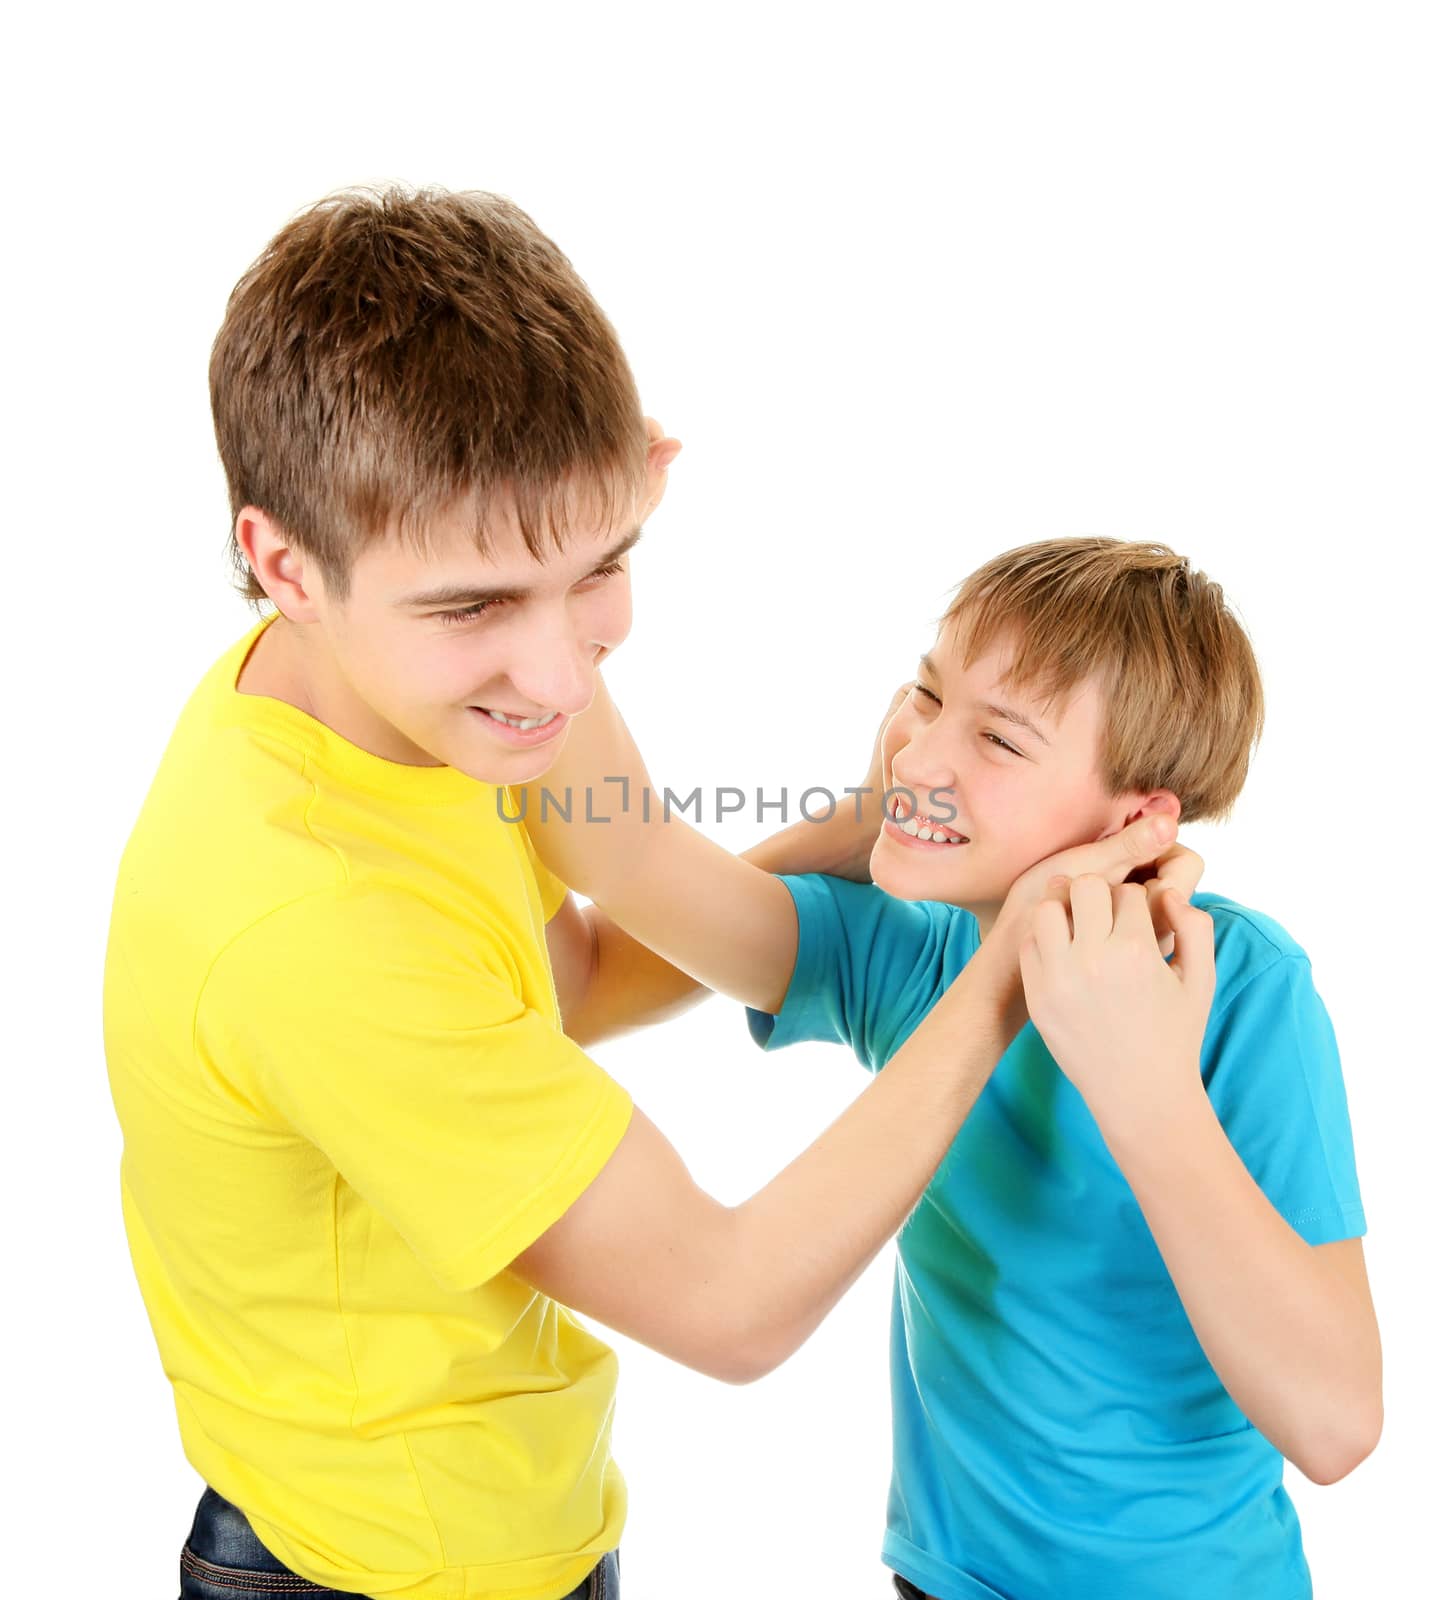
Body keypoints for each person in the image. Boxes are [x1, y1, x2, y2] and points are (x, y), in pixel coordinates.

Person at [102, 188, 1198, 1600]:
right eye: (474, 606)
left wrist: (890, 823)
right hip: (387, 1572)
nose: (559, 676)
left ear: (644, 474)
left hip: (506, 1517)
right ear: (284, 566)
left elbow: (584, 957)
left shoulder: (399, 692)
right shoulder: (311, 926)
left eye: (600, 568)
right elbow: (730, 1304)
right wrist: (1005, 982)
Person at [524, 536, 1383, 1599]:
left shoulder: (1238, 987)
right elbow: (636, 870)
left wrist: (1144, 1087)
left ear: (1132, 823)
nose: (923, 753)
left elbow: (1336, 1424)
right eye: (926, 696)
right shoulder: (907, 947)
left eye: (999, 740)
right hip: (944, 1580)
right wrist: (551, 590)